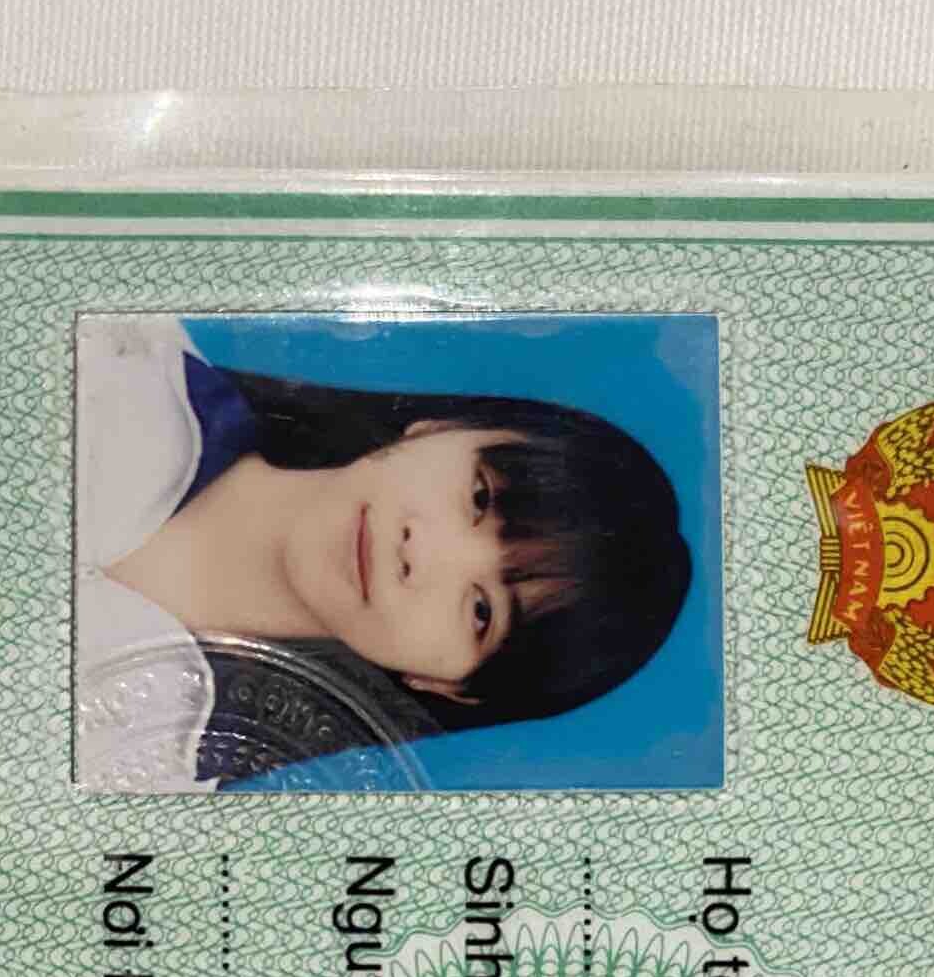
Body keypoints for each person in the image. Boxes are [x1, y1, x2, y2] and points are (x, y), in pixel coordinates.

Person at [74, 319, 694, 789]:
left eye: (482, 611)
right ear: (439, 427)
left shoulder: (150, 775)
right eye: (479, 496)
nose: (423, 554)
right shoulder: (113, 347)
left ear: (448, 688)